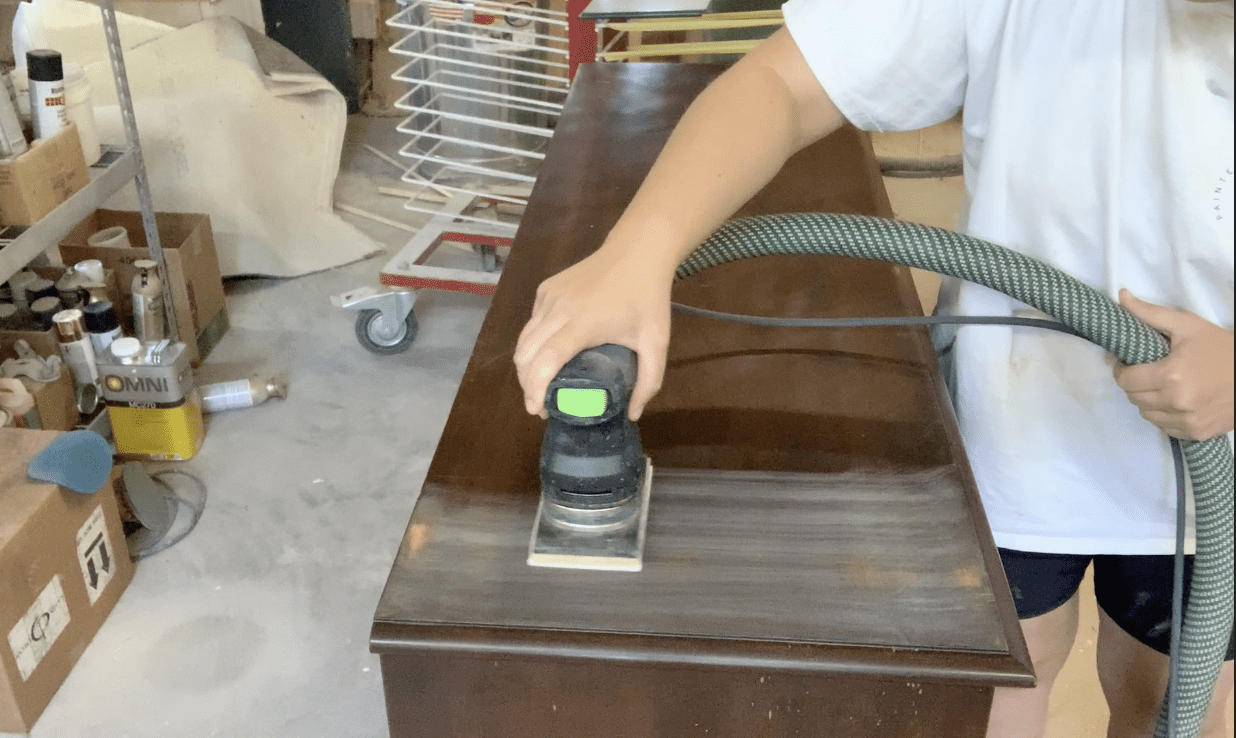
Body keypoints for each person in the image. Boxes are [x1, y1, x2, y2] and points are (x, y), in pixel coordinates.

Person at [514, 1, 1235, 736]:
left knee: (1175, 691)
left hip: (1219, 458)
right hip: (1016, 419)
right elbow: (787, 84)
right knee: (1006, 675)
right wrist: (641, 249)